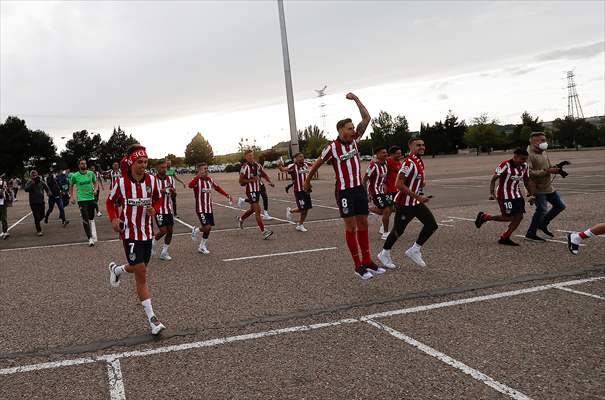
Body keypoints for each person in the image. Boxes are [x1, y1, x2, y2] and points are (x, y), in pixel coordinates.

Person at [304, 93, 385, 279]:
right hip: (344, 191)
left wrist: (356, 99)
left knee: (363, 223)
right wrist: (307, 181)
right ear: (341, 130)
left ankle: (368, 261)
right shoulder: (331, 147)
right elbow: (317, 163)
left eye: (352, 127)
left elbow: (366, 118)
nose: (352, 130)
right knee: (351, 227)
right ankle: (358, 266)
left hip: (359, 189)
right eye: (349, 128)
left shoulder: (355, 140)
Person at [106, 144, 166, 335]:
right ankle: (153, 319)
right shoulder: (122, 183)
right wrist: (114, 218)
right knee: (141, 271)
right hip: (130, 233)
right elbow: (110, 201)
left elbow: (158, 199)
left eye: (146, 161)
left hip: (147, 233)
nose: (143, 165)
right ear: (132, 162)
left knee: (139, 267)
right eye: (140, 162)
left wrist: (154, 208)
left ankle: (117, 269)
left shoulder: (152, 181)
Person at [377, 138, 437, 269]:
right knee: (398, 230)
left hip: (415, 202)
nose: (422, 147)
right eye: (418, 145)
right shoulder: (408, 163)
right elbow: (398, 184)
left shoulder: (419, 162)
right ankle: (384, 253)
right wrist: (418, 197)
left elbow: (415, 182)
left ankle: (414, 250)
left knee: (432, 225)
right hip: (404, 203)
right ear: (410, 146)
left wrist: (420, 190)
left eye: (423, 145)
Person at [475, 148, 534, 246]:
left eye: (525, 159)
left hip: (517, 195)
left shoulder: (524, 166)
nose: (524, 161)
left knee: (519, 217)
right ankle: (485, 217)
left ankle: (505, 237)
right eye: (522, 159)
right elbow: (493, 180)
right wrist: (491, 193)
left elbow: (526, 180)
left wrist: (531, 194)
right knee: (508, 217)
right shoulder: (505, 165)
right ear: (515, 157)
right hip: (504, 195)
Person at [525, 132, 566, 241]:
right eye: (542, 140)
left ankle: (542, 224)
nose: (545, 142)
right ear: (534, 141)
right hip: (537, 187)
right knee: (542, 209)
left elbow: (548, 166)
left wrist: (557, 168)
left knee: (560, 206)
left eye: (545, 140)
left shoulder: (543, 152)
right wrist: (547, 171)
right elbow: (528, 173)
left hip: (548, 186)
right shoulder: (528, 154)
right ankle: (531, 233)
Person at [189, 163, 232, 253]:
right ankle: (196, 230)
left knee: (209, 228)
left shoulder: (210, 180)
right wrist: (198, 176)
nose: (206, 170)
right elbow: (190, 185)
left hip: (209, 208)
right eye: (204, 169)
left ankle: (202, 246)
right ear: (199, 170)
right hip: (200, 208)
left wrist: (227, 195)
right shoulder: (197, 180)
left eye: (207, 168)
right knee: (207, 227)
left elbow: (217, 188)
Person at [238, 150, 274, 239]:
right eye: (249, 155)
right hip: (250, 190)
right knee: (258, 209)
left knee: (252, 209)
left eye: (252, 155)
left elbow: (263, 174)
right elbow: (241, 181)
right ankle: (264, 231)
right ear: (245, 157)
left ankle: (241, 219)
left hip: (257, 190)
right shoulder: (244, 167)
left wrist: (269, 181)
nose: (251, 157)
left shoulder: (257, 165)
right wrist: (251, 180)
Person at [363, 146, 393, 240]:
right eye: (383, 152)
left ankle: (367, 208)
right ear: (378, 155)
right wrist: (366, 194)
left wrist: (384, 185)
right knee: (386, 210)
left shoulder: (385, 165)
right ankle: (385, 232)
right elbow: (364, 180)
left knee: (390, 209)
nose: (386, 154)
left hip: (382, 191)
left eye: (386, 152)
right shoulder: (373, 166)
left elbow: (382, 178)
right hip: (374, 191)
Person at [278, 152, 312, 232]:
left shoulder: (306, 165)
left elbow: (315, 164)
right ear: (296, 158)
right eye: (300, 157)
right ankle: (300, 224)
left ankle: (292, 213)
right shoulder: (292, 166)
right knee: (303, 208)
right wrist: (279, 166)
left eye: (303, 156)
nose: (302, 158)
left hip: (306, 190)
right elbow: (283, 169)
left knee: (306, 208)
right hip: (299, 190)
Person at [69, 159, 98, 246]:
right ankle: (90, 238)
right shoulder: (75, 176)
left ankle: (92, 231)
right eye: (82, 164)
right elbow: (71, 186)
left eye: (85, 163)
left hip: (91, 198)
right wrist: (72, 197)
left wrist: (95, 189)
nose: (84, 165)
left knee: (91, 217)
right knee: (85, 218)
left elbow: (95, 182)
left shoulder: (90, 173)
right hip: (81, 200)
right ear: (79, 166)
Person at [151, 160, 175, 261]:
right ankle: (153, 243)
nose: (164, 169)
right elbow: (150, 194)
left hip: (168, 209)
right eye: (162, 168)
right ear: (157, 168)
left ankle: (164, 252)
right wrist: (162, 191)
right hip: (158, 209)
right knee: (163, 230)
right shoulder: (152, 180)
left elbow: (173, 195)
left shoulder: (170, 179)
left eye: (166, 167)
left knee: (170, 231)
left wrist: (173, 192)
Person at [382, 146, 402, 236]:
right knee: (388, 209)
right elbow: (382, 171)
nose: (400, 155)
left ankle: (383, 225)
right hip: (389, 189)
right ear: (392, 154)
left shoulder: (399, 162)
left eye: (400, 153)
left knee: (395, 209)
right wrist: (384, 184)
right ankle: (384, 231)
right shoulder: (388, 161)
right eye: (398, 153)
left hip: (397, 189)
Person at [24, 170, 50, 236]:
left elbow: (46, 187)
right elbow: (26, 189)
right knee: (36, 216)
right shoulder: (29, 182)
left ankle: (37, 221)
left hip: (41, 201)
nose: (35, 176)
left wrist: (48, 192)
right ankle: (39, 230)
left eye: (35, 175)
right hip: (33, 203)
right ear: (31, 176)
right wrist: (32, 182)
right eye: (33, 176)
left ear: (37, 174)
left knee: (42, 215)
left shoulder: (41, 181)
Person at [0, 174, 12, 239]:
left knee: (3, 218)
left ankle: (5, 232)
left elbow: (7, 191)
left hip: (2, 202)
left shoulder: (3, 182)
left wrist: (9, 194)